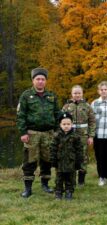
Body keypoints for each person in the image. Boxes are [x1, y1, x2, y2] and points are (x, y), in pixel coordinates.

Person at [16, 67, 60, 198]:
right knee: (29, 161)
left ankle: (45, 185)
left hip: (49, 133)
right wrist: (23, 132)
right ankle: (28, 188)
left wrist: (58, 131)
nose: (40, 81)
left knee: (47, 160)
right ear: (33, 80)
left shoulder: (51, 95)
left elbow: (57, 114)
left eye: (43, 79)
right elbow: (21, 115)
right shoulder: (26, 95)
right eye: (38, 79)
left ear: (45, 81)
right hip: (32, 133)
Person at [62, 85, 96, 187]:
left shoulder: (87, 106)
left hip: (83, 136)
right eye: (75, 93)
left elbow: (92, 121)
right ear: (72, 94)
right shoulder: (66, 107)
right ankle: (71, 180)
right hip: (70, 135)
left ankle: (81, 180)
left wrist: (91, 136)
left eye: (79, 93)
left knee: (82, 157)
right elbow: (61, 121)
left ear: (82, 94)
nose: (77, 95)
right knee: (70, 157)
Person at [50, 112, 83, 200]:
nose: (66, 126)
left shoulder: (76, 136)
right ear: (60, 125)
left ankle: (69, 192)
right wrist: (53, 160)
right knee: (59, 178)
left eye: (68, 124)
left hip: (71, 162)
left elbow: (79, 150)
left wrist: (78, 162)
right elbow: (53, 148)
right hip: (59, 161)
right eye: (64, 124)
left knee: (70, 178)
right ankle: (58, 192)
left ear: (72, 124)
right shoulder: (56, 136)